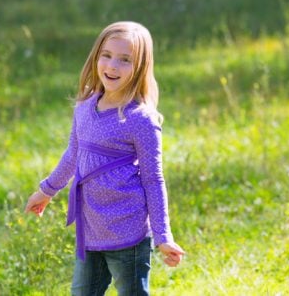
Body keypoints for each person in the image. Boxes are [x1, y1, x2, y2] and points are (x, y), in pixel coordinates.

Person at [24, 21, 184, 295]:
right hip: (90, 230)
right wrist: (46, 190)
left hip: (128, 233)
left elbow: (153, 179)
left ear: (140, 67)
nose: (112, 66)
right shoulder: (85, 108)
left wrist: (163, 236)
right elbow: (73, 155)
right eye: (106, 55)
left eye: (125, 60)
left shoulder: (141, 119)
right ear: (96, 56)